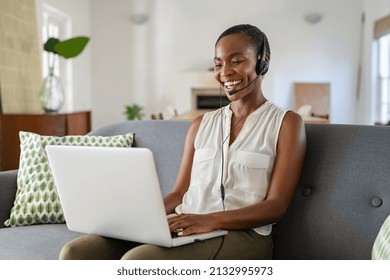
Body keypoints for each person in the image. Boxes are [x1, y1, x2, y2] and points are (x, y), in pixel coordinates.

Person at [59, 24, 306, 260]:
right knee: (76, 253)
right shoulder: (200, 124)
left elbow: (276, 206)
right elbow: (179, 193)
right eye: (218, 64)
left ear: (263, 60)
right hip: (187, 224)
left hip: (245, 236)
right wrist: (140, 219)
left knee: (140, 260)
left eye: (237, 60)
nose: (225, 72)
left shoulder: (286, 123)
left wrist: (211, 220)